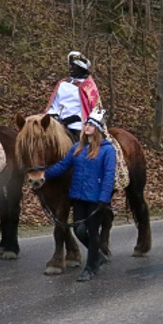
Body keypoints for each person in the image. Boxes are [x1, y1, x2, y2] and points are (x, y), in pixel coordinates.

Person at [43, 108, 115, 282]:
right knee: (78, 230)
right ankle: (97, 255)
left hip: (95, 198)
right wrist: (43, 174)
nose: (86, 126)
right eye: (86, 124)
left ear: (97, 129)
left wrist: (104, 199)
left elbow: (108, 176)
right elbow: (62, 165)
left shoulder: (107, 150)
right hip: (78, 196)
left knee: (92, 230)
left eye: (90, 124)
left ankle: (91, 267)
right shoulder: (77, 148)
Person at [46, 51, 102, 141]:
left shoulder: (89, 87)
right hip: (58, 124)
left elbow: (94, 109)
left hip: (78, 126)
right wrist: (53, 116)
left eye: (74, 66)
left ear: (81, 68)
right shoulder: (62, 84)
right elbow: (54, 106)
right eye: (70, 65)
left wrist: (71, 119)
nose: (71, 68)